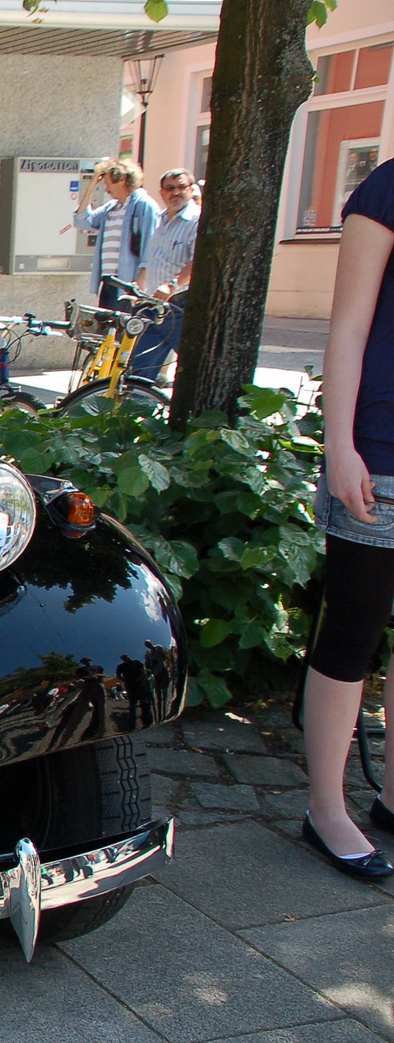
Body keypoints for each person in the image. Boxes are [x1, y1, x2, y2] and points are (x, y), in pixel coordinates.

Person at [302, 156, 394, 880]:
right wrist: (340, 446)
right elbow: (350, 327)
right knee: (353, 630)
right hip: (381, 452)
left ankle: (393, 794)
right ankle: (327, 808)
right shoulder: (386, 187)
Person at [129, 168, 201, 380]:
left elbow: (199, 260)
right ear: (162, 192)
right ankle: (138, 409)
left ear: (191, 190)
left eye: (181, 187)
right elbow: (154, 261)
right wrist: (141, 292)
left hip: (182, 305)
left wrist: (172, 285)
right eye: (170, 188)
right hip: (154, 306)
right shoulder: (161, 220)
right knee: (139, 368)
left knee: (192, 367)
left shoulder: (197, 220)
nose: (176, 192)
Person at [72, 158, 159, 310]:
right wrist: (92, 185)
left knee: (121, 333)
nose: (106, 189)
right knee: (106, 332)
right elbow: (81, 220)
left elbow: (150, 249)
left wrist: (138, 288)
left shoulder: (144, 205)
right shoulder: (111, 208)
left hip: (128, 285)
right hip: (109, 282)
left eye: (107, 183)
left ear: (122, 180)